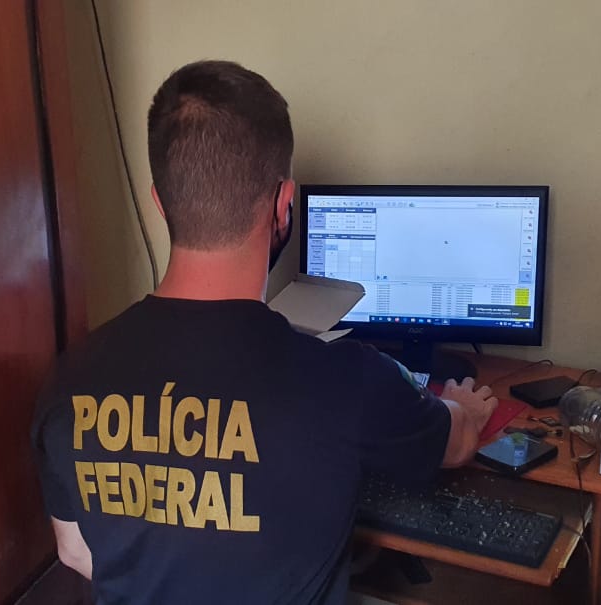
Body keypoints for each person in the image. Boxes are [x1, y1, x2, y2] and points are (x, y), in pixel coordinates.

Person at [30, 60, 497, 604]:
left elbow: (76, 552)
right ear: (283, 203)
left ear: (160, 202)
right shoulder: (345, 379)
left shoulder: (70, 377)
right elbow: (454, 445)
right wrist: (466, 407)